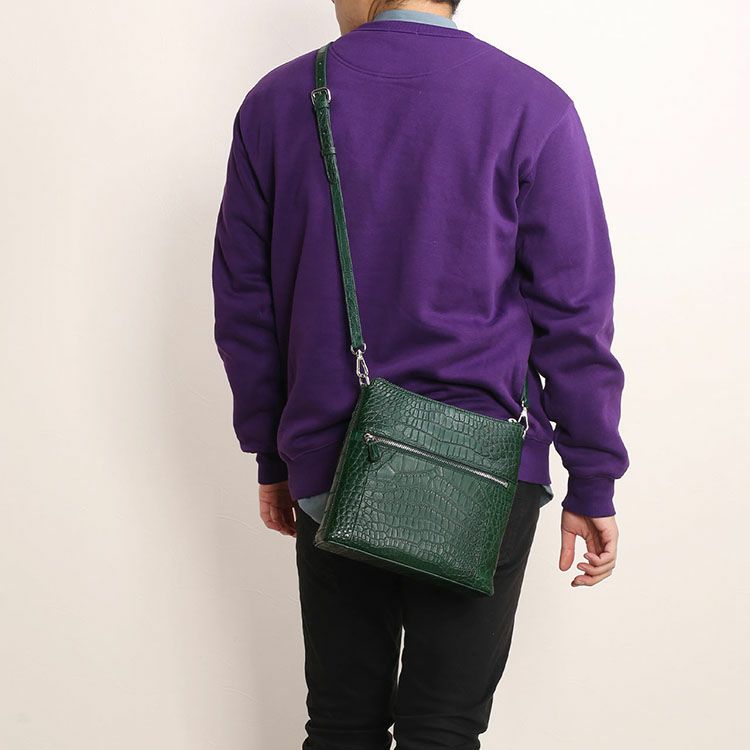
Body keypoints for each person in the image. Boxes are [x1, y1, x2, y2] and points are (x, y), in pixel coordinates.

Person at [212, 1, 629, 747]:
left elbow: (247, 304)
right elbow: (575, 311)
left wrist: (273, 454)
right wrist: (592, 476)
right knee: (444, 728)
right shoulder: (532, 104)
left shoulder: (279, 101)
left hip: (335, 460)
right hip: (487, 471)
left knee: (341, 724)